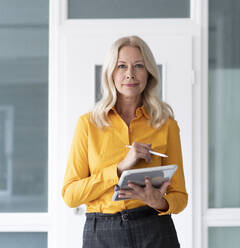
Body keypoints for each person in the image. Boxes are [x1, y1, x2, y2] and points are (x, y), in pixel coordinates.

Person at [62, 35, 187, 248]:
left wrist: (161, 202)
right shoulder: (88, 124)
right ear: (111, 72)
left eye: (138, 65)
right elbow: (70, 195)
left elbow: (180, 196)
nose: (130, 74)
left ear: (148, 72)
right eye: (122, 66)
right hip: (102, 233)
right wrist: (118, 170)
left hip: (155, 228)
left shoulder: (166, 125)